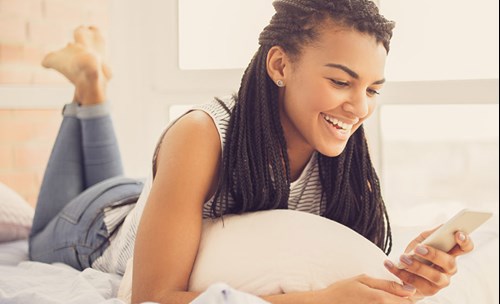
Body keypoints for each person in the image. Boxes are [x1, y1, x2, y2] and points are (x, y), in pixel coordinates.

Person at [28, 0, 474, 303]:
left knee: (125, 180)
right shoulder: (202, 134)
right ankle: (89, 85)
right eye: (341, 81)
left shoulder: (340, 149)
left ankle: (90, 82)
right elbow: (152, 298)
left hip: (151, 195)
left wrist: (405, 273)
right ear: (280, 65)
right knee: (36, 235)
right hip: (96, 228)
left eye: (372, 88)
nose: (359, 107)